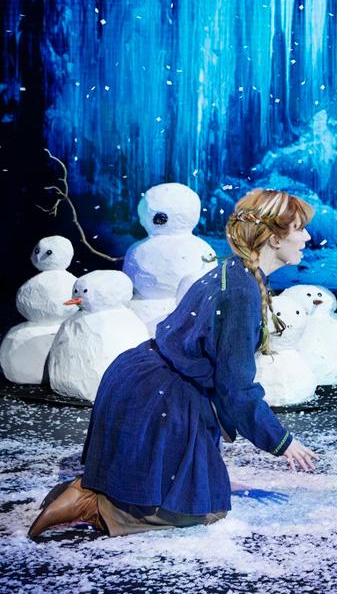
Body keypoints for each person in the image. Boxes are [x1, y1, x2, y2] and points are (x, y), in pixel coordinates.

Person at [28, 188, 317, 539]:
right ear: (274, 238)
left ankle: (99, 491)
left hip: (142, 378)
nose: (307, 237)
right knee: (204, 510)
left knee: (203, 489)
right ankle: (92, 503)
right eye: (299, 228)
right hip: (158, 395)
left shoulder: (237, 272)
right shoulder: (240, 289)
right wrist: (282, 441)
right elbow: (236, 388)